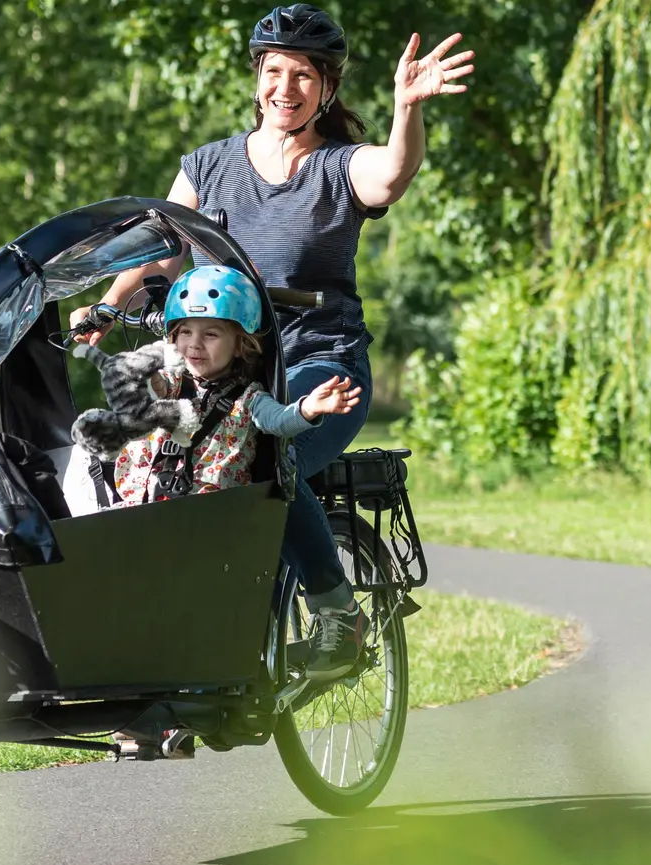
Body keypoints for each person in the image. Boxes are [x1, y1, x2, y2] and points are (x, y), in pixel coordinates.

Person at [71, 4, 473, 679]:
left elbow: (393, 174)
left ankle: (338, 615)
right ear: (258, 78)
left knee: (266, 456)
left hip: (319, 364)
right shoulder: (208, 166)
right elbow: (160, 249)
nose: (287, 88)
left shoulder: (339, 167)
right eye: (275, 72)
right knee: (130, 453)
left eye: (304, 76)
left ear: (327, 88)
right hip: (219, 369)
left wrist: (407, 108)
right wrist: (110, 306)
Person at [107, 266, 361, 506]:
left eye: (211, 334)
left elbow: (279, 422)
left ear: (241, 344)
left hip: (215, 513)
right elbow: (154, 392)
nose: (195, 344)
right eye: (185, 332)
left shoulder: (249, 398)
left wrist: (306, 409)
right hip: (145, 506)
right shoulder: (172, 381)